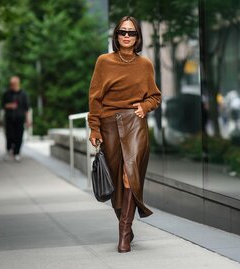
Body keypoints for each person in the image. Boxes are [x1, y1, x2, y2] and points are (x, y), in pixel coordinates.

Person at [88, 16, 161, 253]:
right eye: (122, 32)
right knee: (115, 184)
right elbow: (95, 97)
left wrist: (144, 107)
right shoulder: (104, 62)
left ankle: (123, 234)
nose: (127, 36)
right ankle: (126, 223)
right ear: (116, 36)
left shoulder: (145, 64)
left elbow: (155, 96)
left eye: (131, 33)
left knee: (130, 176)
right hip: (109, 125)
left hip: (135, 123)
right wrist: (94, 127)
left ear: (138, 37)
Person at [2, 76, 30, 162]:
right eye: (11, 84)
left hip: (20, 118)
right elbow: (3, 105)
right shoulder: (6, 94)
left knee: (19, 136)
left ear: (18, 84)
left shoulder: (23, 94)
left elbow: (27, 108)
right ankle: (9, 149)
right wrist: (9, 106)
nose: (12, 85)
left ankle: (17, 153)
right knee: (9, 135)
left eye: (14, 84)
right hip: (9, 118)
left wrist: (28, 119)